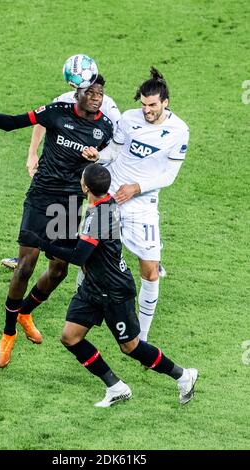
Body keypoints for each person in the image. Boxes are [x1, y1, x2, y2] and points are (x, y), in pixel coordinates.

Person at [20, 164, 198, 407]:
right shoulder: (103, 205)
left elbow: (79, 257)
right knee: (70, 337)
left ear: (85, 187)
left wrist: (41, 243)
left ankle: (183, 376)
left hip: (114, 291)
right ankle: (116, 387)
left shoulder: (101, 216)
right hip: (93, 287)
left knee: (131, 347)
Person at [0, 75, 113, 367]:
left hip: (69, 203)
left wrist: (99, 156)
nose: (97, 97)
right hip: (41, 196)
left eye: (100, 92)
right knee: (25, 267)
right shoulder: (56, 113)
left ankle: (25, 312)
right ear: (77, 93)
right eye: (91, 92)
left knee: (59, 270)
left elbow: (112, 154)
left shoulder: (104, 127)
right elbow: (13, 123)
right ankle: (8, 334)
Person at [82, 67, 189, 341]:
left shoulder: (178, 131)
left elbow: (169, 175)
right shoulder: (129, 119)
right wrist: (98, 156)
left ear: (165, 102)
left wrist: (136, 188)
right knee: (88, 257)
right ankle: (84, 313)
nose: (147, 110)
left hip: (142, 204)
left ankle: (141, 337)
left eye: (152, 105)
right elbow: (115, 151)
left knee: (150, 271)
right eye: (143, 104)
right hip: (112, 197)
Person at [0, 87, 121, 270]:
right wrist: (32, 153)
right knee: (35, 245)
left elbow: (114, 147)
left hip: (78, 185)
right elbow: (43, 120)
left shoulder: (109, 109)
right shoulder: (64, 99)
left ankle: (93, 267)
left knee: (66, 259)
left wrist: (98, 156)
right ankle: (26, 255)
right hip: (48, 184)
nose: (94, 97)